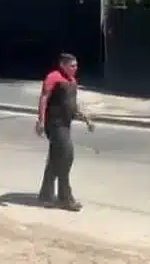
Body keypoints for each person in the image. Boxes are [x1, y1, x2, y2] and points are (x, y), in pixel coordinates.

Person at [35, 52, 94, 211]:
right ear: (63, 65)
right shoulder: (53, 77)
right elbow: (44, 98)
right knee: (66, 156)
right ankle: (65, 198)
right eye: (72, 66)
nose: (75, 68)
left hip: (66, 124)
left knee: (56, 159)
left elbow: (72, 105)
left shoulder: (72, 81)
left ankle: (46, 195)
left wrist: (85, 118)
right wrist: (40, 121)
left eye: (76, 66)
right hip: (54, 124)